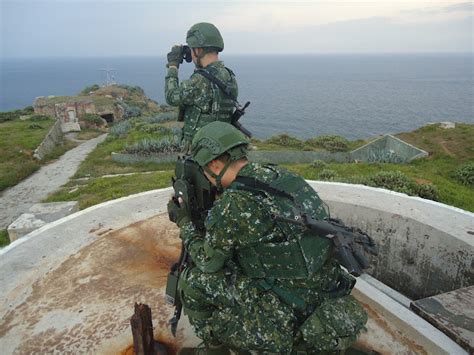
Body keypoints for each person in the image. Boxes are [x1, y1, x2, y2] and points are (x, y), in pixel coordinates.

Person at [168, 122, 368, 354]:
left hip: (288, 302)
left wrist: (184, 222)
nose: (206, 176)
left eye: (205, 170)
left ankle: (216, 347)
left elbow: (208, 261)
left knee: (193, 281)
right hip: (323, 288)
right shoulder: (283, 177)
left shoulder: (234, 204)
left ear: (214, 164)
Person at [165, 23, 238, 152]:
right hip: (221, 146)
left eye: (192, 49)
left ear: (198, 50)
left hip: (199, 151)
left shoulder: (199, 80)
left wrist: (173, 66)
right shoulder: (230, 76)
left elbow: (171, 97)